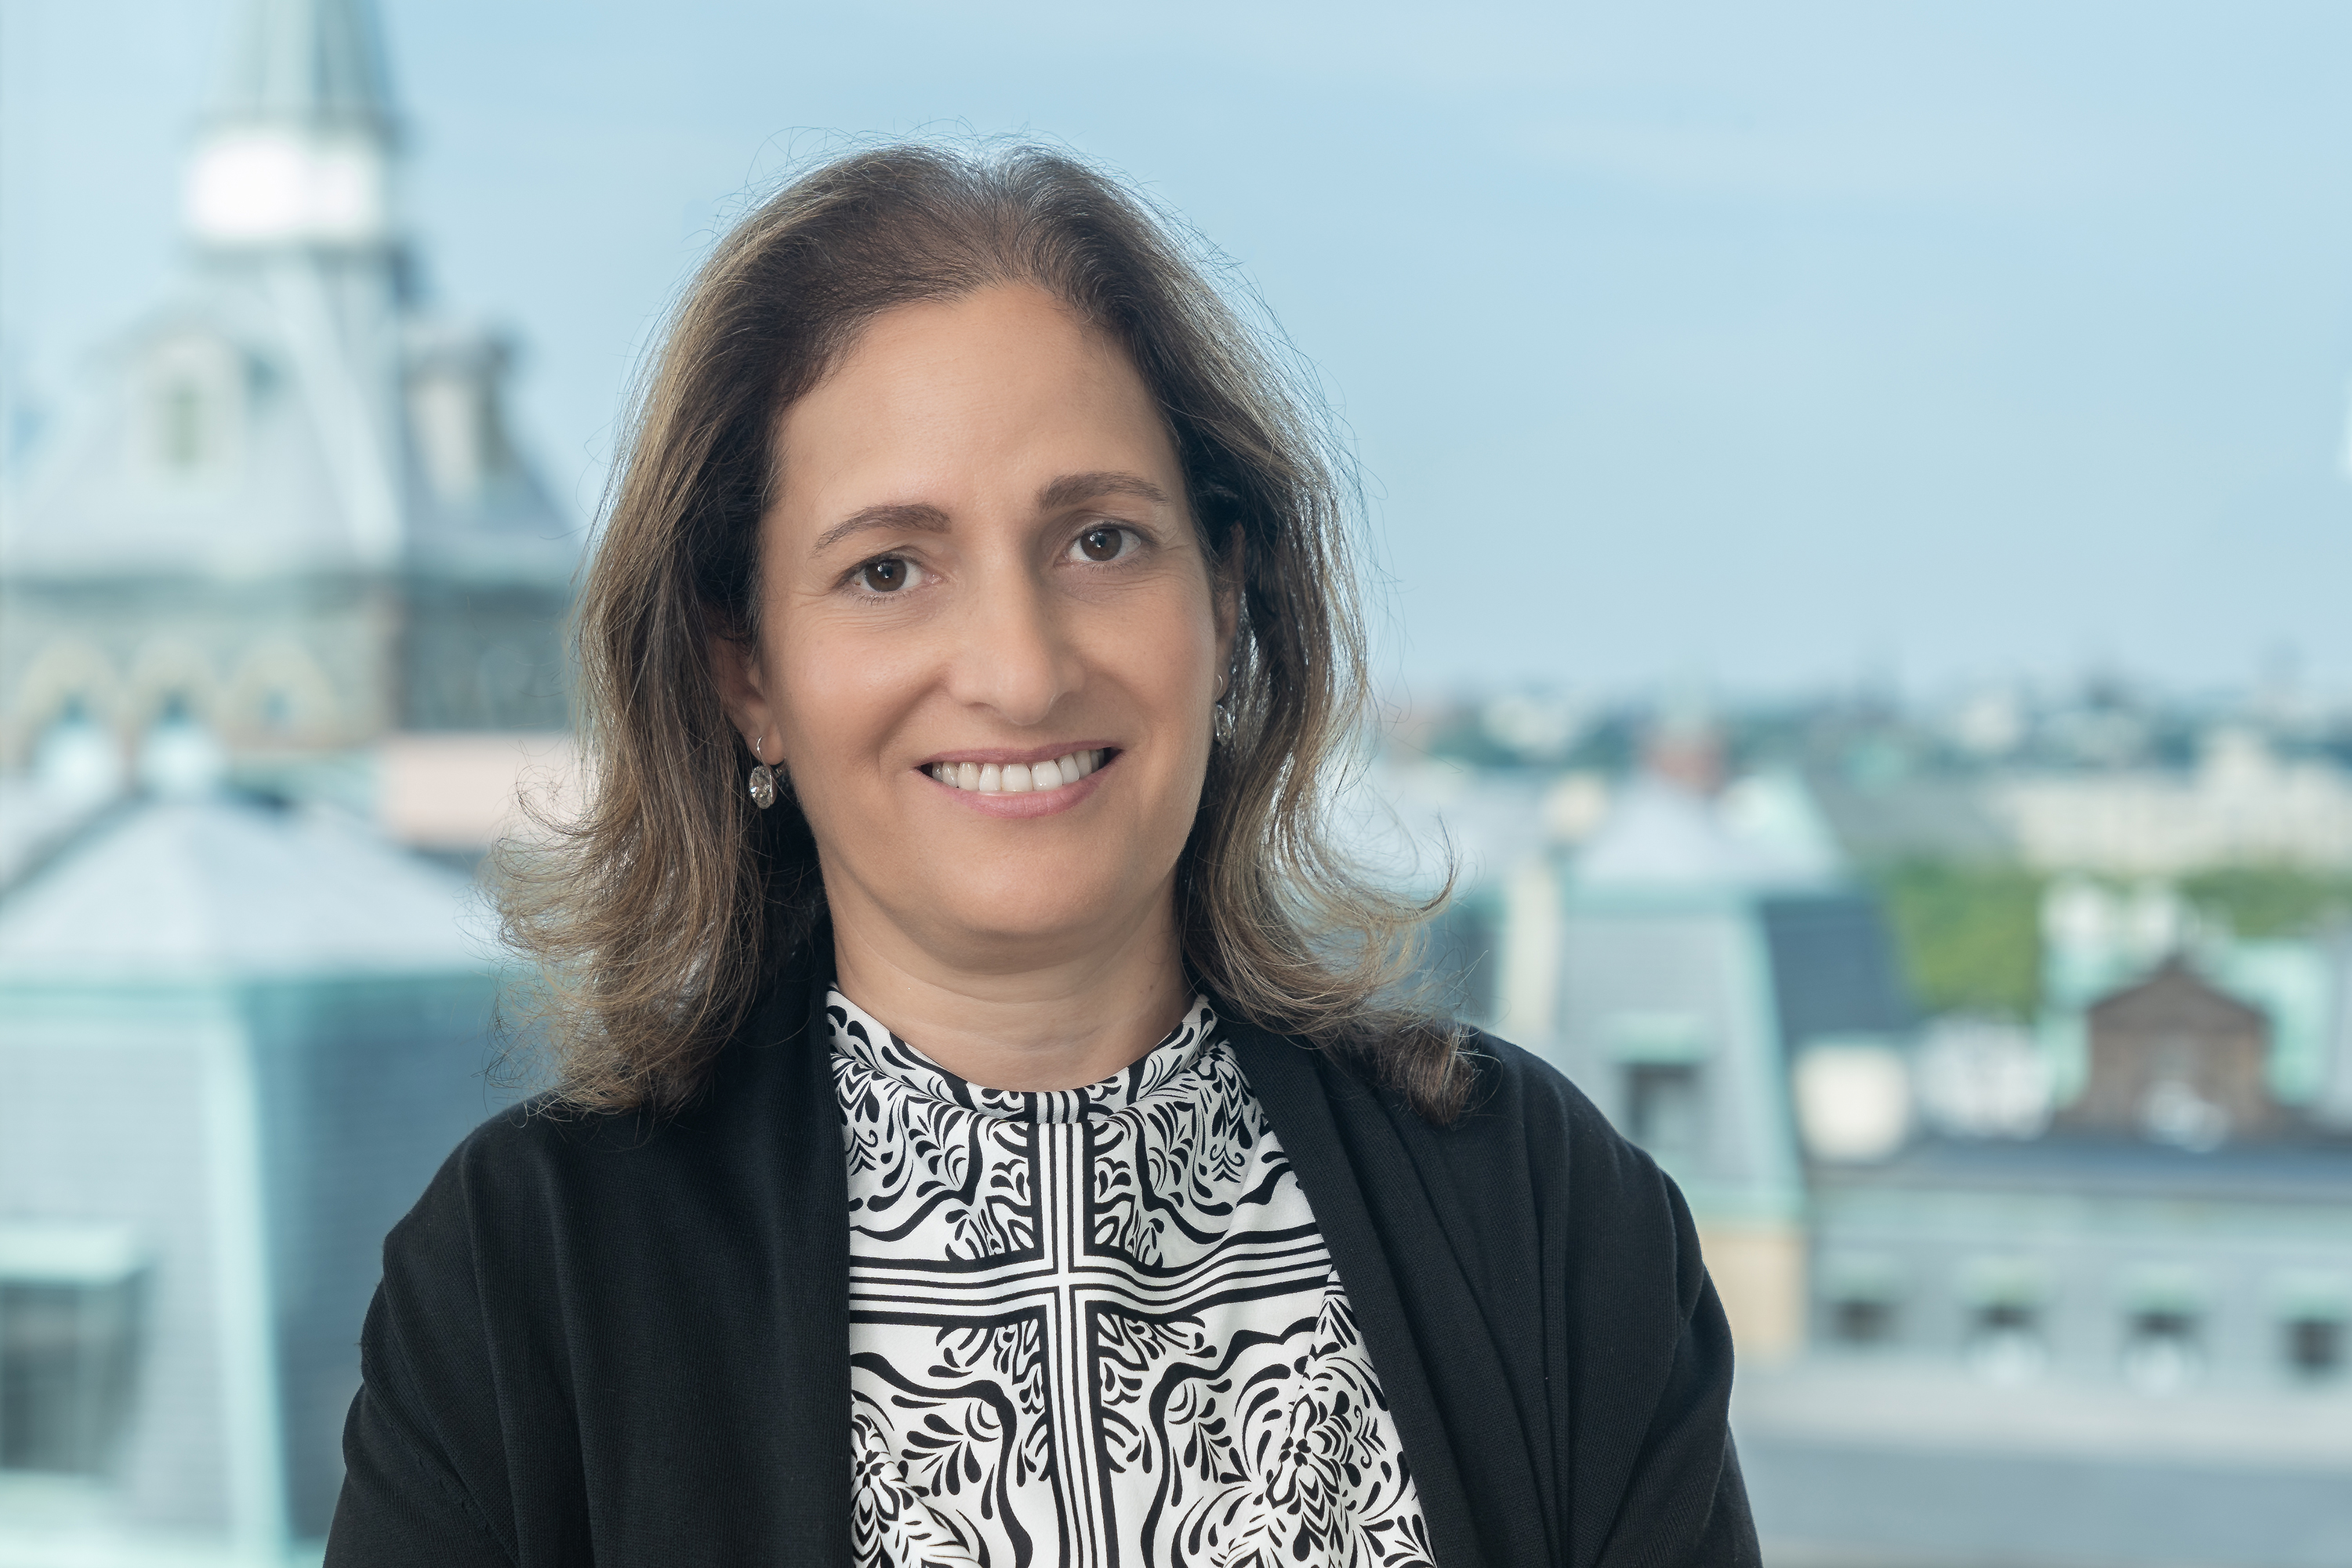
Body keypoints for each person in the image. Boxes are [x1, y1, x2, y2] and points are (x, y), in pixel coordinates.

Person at [324, 142, 1758, 1568]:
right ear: (745, 668)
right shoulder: (524, 1283)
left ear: (1228, 600)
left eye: (1102, 542)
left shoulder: (1544, 1219)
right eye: (889, 569)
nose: (1019, 672)